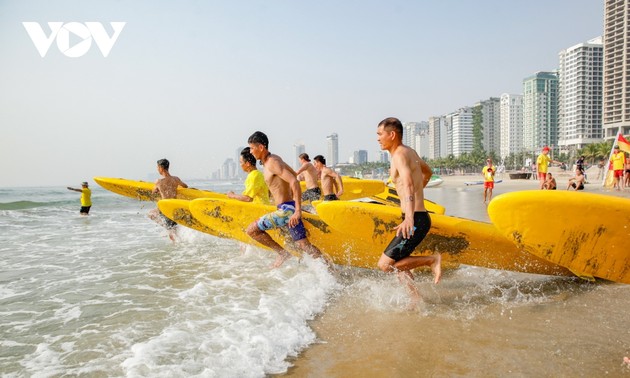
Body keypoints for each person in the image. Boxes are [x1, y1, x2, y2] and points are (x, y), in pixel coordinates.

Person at [375, 117, 441, 307]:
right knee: (400, 264)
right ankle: (416, 300)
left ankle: (432, 260)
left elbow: (409, 183)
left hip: (416, 219)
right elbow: (427, 173)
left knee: (385, 264)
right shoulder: (410, 152)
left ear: (392, 134)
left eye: (380, 134)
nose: (378, 139)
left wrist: (410, 217)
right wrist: (418, 195)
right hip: (417, 216)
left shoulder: (399, 155)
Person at [245, 131, 327, 268]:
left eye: (252, 148)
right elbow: (293, 174)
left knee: (251, 230)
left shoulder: (272, 163)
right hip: (287, 208)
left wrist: (297, 211)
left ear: (261, 147)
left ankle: (282, 253)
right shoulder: (274, 160)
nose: (251, 152)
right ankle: (332, 271)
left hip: (287, 211)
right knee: (303, 245)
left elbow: (294, 181)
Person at [148, 158, 188, 241]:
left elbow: (153, 192)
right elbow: (185, 186)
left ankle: (167, 227)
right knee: (174, 232)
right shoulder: (176, 179)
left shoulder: (158, 181)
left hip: (164, 208)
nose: (157, 170)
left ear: (161, 168)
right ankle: (179, 246)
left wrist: (158, 190)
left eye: (157, 168)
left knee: (151, 214)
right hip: (174, 206)